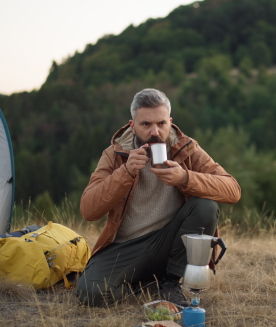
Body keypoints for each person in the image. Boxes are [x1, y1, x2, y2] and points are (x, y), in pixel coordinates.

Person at [75, 88, 241, 307]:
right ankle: (148, 284)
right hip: (126, 246)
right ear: (133, 125)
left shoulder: (186, 148)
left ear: (170, 122)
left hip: (169, 242)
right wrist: (125, 173)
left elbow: (233, 190)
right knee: (91, 293)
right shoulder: (115, 154)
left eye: (161, 124)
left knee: (205, 206)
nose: (155, 132)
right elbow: (89, 210)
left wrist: (185, 177)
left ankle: (171, 282)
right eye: (146, 125)